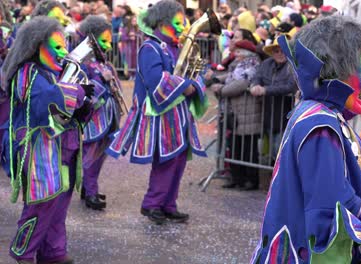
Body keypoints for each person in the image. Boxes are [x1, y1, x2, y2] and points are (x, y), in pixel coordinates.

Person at [251, 16, 361, 264]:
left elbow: (337, 183)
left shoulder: (320, 112)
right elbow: (331, 202)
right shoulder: (320, 124)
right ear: (335, 73)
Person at [2, 16, 93, 264]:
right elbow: (44, 103)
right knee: (41, 204)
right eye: (57, 47)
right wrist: (77, 92)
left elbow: (61, 107)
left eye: (64, 46)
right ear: (35, 46)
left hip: (60, 148)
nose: (64, 52)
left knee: (59, 204)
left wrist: (83, 108)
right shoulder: (25, 72)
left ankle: (53, 251)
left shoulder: (50, 70)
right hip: (36, 151)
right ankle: (24, 252)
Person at [107, 0, 207, 225]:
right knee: (166, 160)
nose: (183, 26)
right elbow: (156, 81)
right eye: (178, 22)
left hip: (179, 113)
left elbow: (188, 73)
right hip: (161, 116)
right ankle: (152, 204)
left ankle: (169, 205)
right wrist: (185, 85)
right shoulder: (150, 48)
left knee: (179, 159)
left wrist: (197, 81)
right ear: (163, 22)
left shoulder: (176, 46)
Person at [77, 15, 120, 210]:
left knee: (100, 154)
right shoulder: (82, 58)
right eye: (104, 41)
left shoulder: (100, 57)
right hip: (93, 116)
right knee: (91, 155)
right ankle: (90, 192)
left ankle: (89, 188)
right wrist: (103, 80)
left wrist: (111, 78)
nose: (108, 46)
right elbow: (80, 86)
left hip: (107, 114)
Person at [213, 39, 261, 190]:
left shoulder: (253, 64)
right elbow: (230, 76)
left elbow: (240, 84)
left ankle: (250, 180)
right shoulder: (239, 64)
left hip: (248, 113)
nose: (236, 54)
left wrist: (221, 89)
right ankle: (236, 177)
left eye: (238, 52)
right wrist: (215, 79)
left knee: (248, 148)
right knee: (234, 146)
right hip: (235, 112)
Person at [250, 37, 297, 162]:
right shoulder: (266, 64)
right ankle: (273, 176)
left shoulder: (292, 66)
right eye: (276, 51)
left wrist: (265, 90)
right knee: (272, 150)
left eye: (283, 51)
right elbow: (257, 77)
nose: (280, 54)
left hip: (285, 114)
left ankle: (281, 178)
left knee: (280, 150)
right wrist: (254, 85)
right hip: (268, 113)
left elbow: (291, 86)